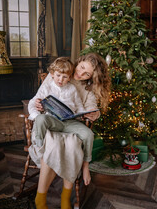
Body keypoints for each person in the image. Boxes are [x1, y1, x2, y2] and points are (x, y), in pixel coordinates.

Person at [28, 53, 111, 209]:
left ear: (91, 77)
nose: (80, 74)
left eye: (86, 74)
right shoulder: (60, 71)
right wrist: (37, 106)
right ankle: (41, 197)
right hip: (52, 123)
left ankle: (66, 196)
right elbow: (36, 98)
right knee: (52, 143)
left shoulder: (87, 88)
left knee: (73, 145)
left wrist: (95, 113)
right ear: (78, 62)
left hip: (71, 125)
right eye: (81, 68)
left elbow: (90, 109)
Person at [29, 57, 86, 147]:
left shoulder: (72, 89)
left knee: (78, 137)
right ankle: (39, 147)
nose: (60, 80)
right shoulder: (47, 87)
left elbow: (79, 105)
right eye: (58, 75)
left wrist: (81, 114)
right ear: (52, 74)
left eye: (65, 77)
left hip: (68, 121)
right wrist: (36, 115)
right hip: (52, 121)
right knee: (41, 118)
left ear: (69, 78)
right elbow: (33, 102)